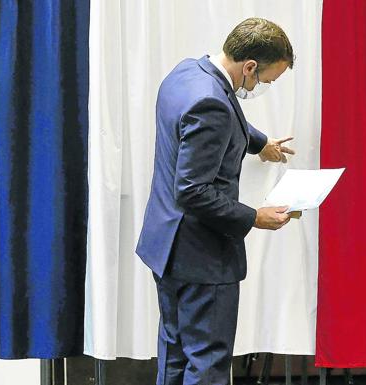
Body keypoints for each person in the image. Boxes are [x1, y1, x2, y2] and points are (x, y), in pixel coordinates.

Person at [136, 17, 295, 385]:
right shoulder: (212, 102)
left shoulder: (188, 73)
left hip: (167, 246)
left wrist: (260, 143)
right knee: (207, 361)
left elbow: (215, 117)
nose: (260, 87)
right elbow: (192, 189)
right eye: (265, 80)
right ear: (250, 66)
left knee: (174, 351)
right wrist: (254, 216)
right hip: (201, 256)